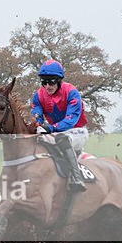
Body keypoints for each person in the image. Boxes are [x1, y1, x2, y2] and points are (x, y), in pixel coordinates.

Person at [30, 59, 89, 191]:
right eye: (44, 82)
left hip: (77, 131)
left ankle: (77, 177)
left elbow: (70, 120)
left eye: (51, 82)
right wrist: (37, 120)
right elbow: (37, 109)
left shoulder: (72, 92)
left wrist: (51, 128)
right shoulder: (39, 95)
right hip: (56, 133)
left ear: (59, 80)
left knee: (62, 139)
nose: (47, 86)